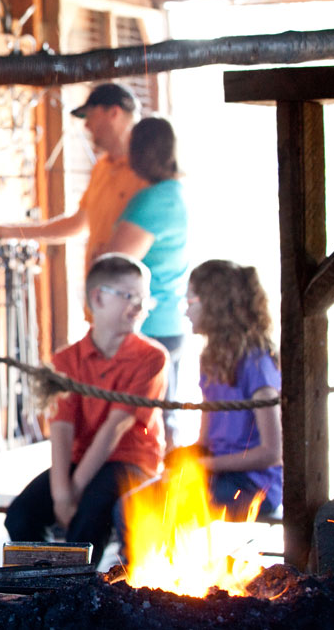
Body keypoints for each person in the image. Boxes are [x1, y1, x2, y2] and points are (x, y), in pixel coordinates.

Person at [4, 253, 167, 567]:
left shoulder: (152, 357)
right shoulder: (66, 360)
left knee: (88, 517)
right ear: (98, 297)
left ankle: (80, 596)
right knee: (21, 516)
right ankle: (41, 590)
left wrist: (72, 493)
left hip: (130, 461)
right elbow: (62, 430)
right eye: (130, 297)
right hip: (82, 459)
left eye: (144, 299)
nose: (140, 307)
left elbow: (115, 429)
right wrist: (61, 493)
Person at [0, 83, 147, 273]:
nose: (86, 125)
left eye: (91, 115)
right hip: (99, 294)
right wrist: (12, 231)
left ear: (114, 113)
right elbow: (78, 224)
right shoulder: (102, 168)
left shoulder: (146, 172)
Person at [100, 116, 188, 450]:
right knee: (164, 415)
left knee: (144, 424)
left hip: (148, 323)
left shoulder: (152, 202)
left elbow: (114, 265)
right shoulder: (176, 193)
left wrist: (100, 250)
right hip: (170, 319)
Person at [172, 259, 282, 517]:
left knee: (170, 507)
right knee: (132, 503)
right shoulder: (212, 360)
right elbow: (207, 440)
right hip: (218, 474)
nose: (186, 312)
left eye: (190, 303)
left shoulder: (257, 363)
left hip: (253, 485)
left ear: (214, 305)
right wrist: (184, 458)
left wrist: (205, 465)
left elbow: (271, 452)